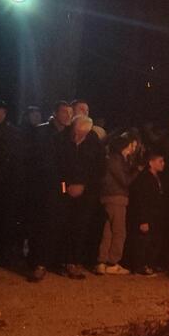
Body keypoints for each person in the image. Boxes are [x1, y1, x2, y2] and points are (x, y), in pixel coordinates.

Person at [24, 101, 74, 281]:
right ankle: (38, 263)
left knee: (62, 226)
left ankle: (56, 261)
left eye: (70, 112)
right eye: (64, 112)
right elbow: (39, 160)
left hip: (64, 188)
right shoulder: (42, 132)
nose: (68, 115)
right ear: (55, 113)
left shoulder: (71, 134)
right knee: (42, 226)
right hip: (44, 188)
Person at [58, 115, 105, 279]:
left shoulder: (94, 144)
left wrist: (83, 185)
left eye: (83, 133)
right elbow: (57, 167)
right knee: (62, 226)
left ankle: (74, 261)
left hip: (85, 195)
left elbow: (99, 169)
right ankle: (60, 260)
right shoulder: (62, 141)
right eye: (77, 132)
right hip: (64, 192)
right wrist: (66, 187)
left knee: (80, 228)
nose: (79, 136)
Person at [0, 100, 23, 269]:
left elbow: (15, 155)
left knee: (4, 222)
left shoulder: (10, 131)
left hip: (6, 185)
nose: (0, 115)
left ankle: (1, 255)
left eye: (3, 112)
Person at [96, 134, 139, 275]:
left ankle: (102, 262)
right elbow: (124, 180)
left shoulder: (116, 159)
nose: (134, 148)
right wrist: (137, 170)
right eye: (132, 145)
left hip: (110, 197)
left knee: (108, 231)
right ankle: (112, 262)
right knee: (119, 231)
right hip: (116, 197)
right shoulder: (115, 159)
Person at [127, 151, 166, 276]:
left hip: (154, 215)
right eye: (160, 161)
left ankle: (149, 263)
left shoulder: (156, 178)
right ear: (151, 162)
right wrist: (142, 220)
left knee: (153, 240)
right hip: (146, 215)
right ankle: (139, 265)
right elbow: (140, 200)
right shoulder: (144, 179)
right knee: (143, 241)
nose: (163, 164)